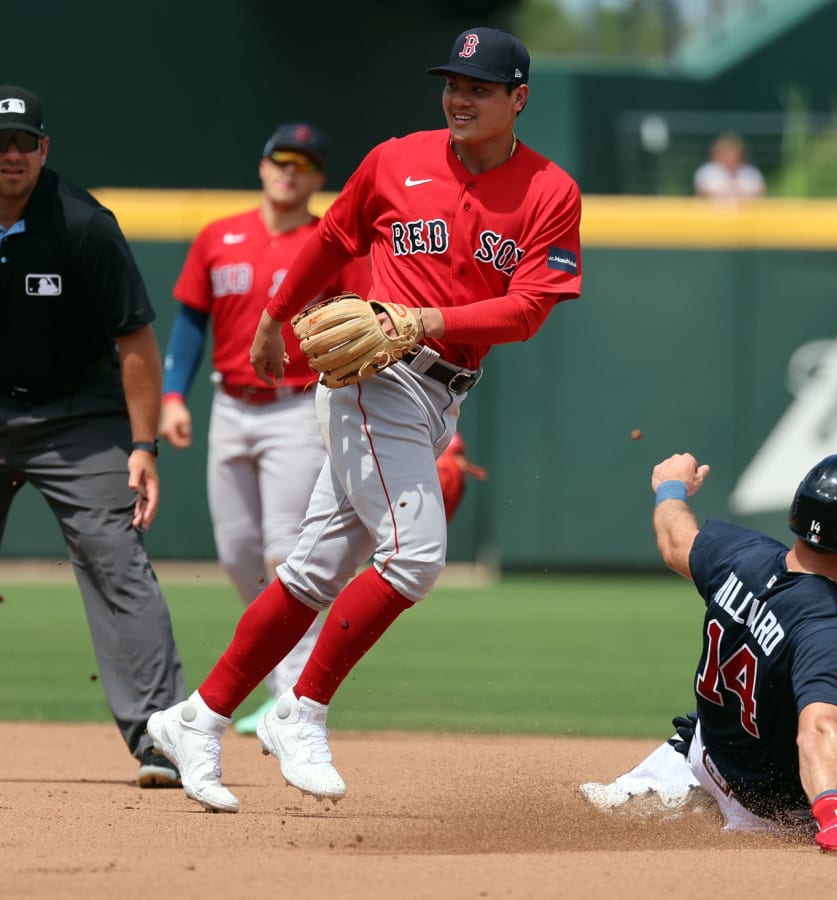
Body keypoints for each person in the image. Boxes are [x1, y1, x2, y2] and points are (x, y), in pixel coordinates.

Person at [146, 27, 582, 813]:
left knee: (312, 573)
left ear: (518, 99)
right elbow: (332, 239)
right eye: (452, 81)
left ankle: (194, 718)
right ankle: (299, 711)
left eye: (479, 87)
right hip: (369, 379)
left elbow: (527, 311)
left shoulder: (551, 190)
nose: (459, 96)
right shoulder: (394, 160)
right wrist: (276, 317)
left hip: (439, 385)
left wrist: (422, 321)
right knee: (414, 558)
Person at [581, 452, 837, 850]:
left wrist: (670, 487)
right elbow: (818, 729)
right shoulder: (832, 627)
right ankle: (765, 819)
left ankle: (675, 774)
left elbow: (674, 542)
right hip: (765, 804)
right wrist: (835, 814)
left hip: (707, 751)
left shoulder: (740, 553)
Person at [159, 123, 373, 736]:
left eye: (304, 162)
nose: (290, 170)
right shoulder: (217, 237)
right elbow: (190, 324)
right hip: (229, 404)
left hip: (297, 407)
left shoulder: (329, 244)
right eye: (281, 159)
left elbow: (366, 320)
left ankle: (291, 701)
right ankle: (272, 678)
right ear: (262, 166)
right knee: (237, 554)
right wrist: (174, 394)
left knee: (287, 550)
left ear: (318, 177)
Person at [0, 85, 186, 788]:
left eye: (23, 142)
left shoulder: (82, 222)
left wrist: (144, 447)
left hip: (77, 415)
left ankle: (163, 739)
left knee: (114, 558)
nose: (10, 154)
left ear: (44, 149)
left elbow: (134, 336)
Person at [692, 132, 765, 201]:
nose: (729, 157)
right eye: (725, 153)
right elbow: (702, 196)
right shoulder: (707, 172)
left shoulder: (751, 173)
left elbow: (759, 197)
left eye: (731, 153)